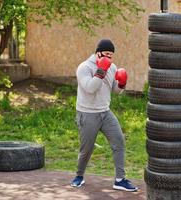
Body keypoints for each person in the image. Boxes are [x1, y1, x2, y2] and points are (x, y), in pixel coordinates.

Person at [70, 39, 138, 192]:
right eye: (106, 54)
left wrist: (122, 84)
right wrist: (101, 71)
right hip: (87, 113)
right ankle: (79, 176)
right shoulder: (84, 67)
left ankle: (120, 180)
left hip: (105, 112)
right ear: (98, 52)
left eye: (111, 55)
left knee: (119, 142)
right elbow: (90, 88)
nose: (109, 58)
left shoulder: (112, 67)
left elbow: (114, 90)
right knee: (86, 149)